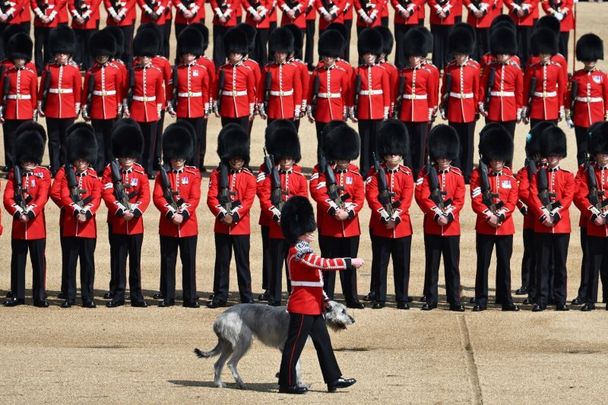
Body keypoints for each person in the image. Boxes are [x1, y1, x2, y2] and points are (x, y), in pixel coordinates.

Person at [277, 195, 360, 395]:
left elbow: (315, 280)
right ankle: (286, 383)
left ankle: (333, 379)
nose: (312, 232)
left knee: (323, 343)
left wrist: (325, 299)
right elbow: (321, 264)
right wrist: (348, 262)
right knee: (294, 346)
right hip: (302, 305)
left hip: (313, 304)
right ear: (299, 230)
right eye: (308, 229)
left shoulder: (304, 248)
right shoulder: (298, 250)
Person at [310, 123, 365, 309]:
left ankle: (351, 297)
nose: (345, 161)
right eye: (342, 158)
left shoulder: (354, 172)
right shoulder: (322, 171)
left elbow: (359, 197)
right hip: (329, 225)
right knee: (328, 264)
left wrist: (348, 211)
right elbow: (318, 192)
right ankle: (328, 297)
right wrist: (334, 210)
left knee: (349, 264)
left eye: (347, 158)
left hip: (350, 227)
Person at [415, 124, 465, 311]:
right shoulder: (427, 173)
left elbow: (459, 199)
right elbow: (422, 196)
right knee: (432, 265)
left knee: (452, 266)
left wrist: (448, 215)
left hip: (451, 227)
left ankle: (455, 299)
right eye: (440, 156)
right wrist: (437, 214)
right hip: (433, 226)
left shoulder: (457, 175)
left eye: (446, 156)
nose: (443, 160)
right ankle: (431, 298)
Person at [470, 124, 520, 312]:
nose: (497, 161)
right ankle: (481, 299)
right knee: (483, 264)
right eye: (494, 158)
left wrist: (500, 215)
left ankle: (505, 298)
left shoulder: (509, 176)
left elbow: (512, 200)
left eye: (500, 158)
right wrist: (488, 215)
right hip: (485, 225)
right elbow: (476, 199)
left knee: (504, 265)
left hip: (505, 226)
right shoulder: (478, 175)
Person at [101, 119, 150, 308]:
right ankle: (118, 293)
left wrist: (135, 211)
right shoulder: (110, 171)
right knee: (118, 260)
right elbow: (107, 193)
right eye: (124, 155)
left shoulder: (140, 172)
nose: (127, 158)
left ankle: (137, 295)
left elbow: (145, 196)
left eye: (130, 155)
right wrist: (121, 210)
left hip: (136, 224)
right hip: (118, 222)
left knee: (135, 262)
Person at [365, 120, 414, 309]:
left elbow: (407, 197)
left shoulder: (406, 173)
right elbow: (371, 195)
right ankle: (380, 297)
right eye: (390, 153)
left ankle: (402, 298)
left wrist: (395, 216)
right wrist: (384, 216)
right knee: (380, 264)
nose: (393, 157)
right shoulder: (376, 172)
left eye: (396, 154)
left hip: (401, 227)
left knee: (402, 266)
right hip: (380, 225)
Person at [207, 123, 256, 307]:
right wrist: (222, 215)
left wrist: (233, 216)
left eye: (240, 159)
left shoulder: (249, 177)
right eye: (233, 158)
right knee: (221, 263)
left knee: (243, 264)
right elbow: (211, 198)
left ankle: (246, 295)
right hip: (222, 226)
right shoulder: (217, 174)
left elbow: (248, 201)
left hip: (241, 227)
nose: (236, 161)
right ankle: (220, 295)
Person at [153, 122, 201, 308]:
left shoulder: (193, 174)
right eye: (175, 156)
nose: (178, 159)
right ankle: (168, 296)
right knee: (168, 262)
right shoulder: (162, 175)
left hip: (188, 226)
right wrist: (172, 213)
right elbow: (157, 197)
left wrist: (184, 213)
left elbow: (195, 197)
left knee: (189, 264)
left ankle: (190, 297)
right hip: (168, 225)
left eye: (181, 156)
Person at [3, 123, 51, 307]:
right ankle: (17, 294)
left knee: (38, 262)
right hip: (18, 226)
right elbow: (7, 198)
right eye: (26, 161)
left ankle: (40, 295)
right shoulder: (15, 175)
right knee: (18, 261)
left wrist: (29, 213)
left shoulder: (43, 174)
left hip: (36, 225)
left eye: (31, 161)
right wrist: (17, 211)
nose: (28, 164)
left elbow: (42, 197)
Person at [54, 123, 102, 308]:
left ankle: (88, 297)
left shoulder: (93, 177)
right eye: (78, 159)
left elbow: (96, 198)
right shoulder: (68, 175)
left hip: (88, 227)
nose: (80, 162)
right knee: (70, 263)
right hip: (70, 224)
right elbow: (64, 195)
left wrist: (86, 212)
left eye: (84, 159)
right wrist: (75, 210)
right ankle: (70, 296)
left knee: (87, 264)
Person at [260, 125, 308, 306]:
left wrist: (292, 217)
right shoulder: (271, 176)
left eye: (289, 158)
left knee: (293, 262)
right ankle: (274, 295)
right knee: (275, 263)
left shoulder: (300, 177)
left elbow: (303, 199)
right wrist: (275, 213)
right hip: (276, 226)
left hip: (293, 228)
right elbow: (265, 196)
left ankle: (293, 292)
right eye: (284, 158)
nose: (286, 161)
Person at [528, 125, 574, 312]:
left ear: (561, 156)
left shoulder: (567, 176)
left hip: (561, 226)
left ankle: (560, 298)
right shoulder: (539, 175)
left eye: (556, 155)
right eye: (551, 154)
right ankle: (542, 298)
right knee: (543, 265)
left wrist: (554, 214)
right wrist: (543, 213)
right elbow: (533, 195)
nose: (553, 158)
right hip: (543, 225)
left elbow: (568, 197)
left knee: (560, 265)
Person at [38, 25, 82, 177]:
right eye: (59, 53)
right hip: (52, 108)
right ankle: (54, 166)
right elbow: (43, 88)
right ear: (55, 54)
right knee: (53, 141)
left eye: (64, 53)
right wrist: (40, 104)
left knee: (66, 141)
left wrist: (77, 107)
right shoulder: (49, 68)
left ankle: (65, 166)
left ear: (69, 54)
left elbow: (77, 90)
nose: (62, 56)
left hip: (68, 109)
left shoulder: (74, 70)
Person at [574, 122, 608, 311]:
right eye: (601, 153)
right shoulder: (587, 169)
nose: (603, 156)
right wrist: (594, 213)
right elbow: (580, 194)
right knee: (590, 260)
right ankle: (587, 296)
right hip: (590, 221)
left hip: (606, 221)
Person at [397, 26, 438, 177]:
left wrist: (430, 111)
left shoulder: (428, 72)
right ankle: (408, 171)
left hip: (421, 111)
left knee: (421, 145)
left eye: (415, 56)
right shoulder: (404, 72)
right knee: (408, 144)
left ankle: (420, 172)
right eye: (411, 56)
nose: (413, 59)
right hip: (407, 111)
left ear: (421, 56)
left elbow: (431, 94)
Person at [168, 27, 211, 171]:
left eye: (191, 53)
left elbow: (205, 90)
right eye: (185, 53)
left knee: (197, 138)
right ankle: (184, 163)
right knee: (183, 138)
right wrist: (171, 105)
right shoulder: (178, 70)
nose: (187, 56)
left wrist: (206, 107)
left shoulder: (202, 70)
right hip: (183, 108)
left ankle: (195, 165)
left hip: (198, 108)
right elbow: (173, 90)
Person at [441, 23, 480, 184]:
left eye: (461, 54)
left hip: (469, 108)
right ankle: (456, 171)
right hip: (454, 108)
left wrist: (477, 108)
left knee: (468, 143)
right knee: (455, 141)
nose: (458, 57)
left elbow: (477, 91)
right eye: (456, 54)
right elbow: (445, 90)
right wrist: (443, 106)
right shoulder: (450, 68)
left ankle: (468, 172)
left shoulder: (475, 67)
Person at [124, 28, 165, 177]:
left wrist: (159, 109)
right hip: (137, 109)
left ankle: (148, 169)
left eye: (148, 56)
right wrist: (126, 107)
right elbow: (127, 91)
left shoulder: (157, 72)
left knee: (151, 143)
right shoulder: (133, 71)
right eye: (143, 56)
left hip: (151, 109)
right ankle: (138, 168)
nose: (145, 59)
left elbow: (160, 92)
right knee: (139, 142)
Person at [82, 29, 123, 175]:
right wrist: (84, 107)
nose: (101, 57)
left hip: (111, 108)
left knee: (110, 139)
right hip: (97, 108)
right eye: (99, 55)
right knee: (98, 139)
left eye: (104, 55)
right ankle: (99, 166)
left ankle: (111, 165)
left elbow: (119, 89)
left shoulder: (115, 70)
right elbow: (86, 91)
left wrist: (119, 106)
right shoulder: (91, 72)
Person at [307, 30, 352, 162]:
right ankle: (322, 166)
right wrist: (309, 107)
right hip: (321, 111)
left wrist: (346, 110)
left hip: (337, 110)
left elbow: (346, 93)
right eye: (325, 56)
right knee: (321, 141)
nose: (327, 59)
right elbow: (311, 91)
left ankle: (335, 164)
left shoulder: (341, 72)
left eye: (330, 56)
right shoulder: (317, 72)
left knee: (336, 141)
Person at [352, 28, 390, 175]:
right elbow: (353, 91)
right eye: (367, 54)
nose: (369, 57)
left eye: (372, 54)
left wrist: (386, 109)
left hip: (378, 109)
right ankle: (365, 169)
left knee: (376, 141)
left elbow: (386, 92)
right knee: (365, 142)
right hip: (363, 110)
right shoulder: (358, 71)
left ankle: (377, 168)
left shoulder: (381, 71)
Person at [566, 33, 608, 166]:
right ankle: (581, 177)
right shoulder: (576, 77)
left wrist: (607, 111)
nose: (590, 61)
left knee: (597, 150)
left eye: (592, 58)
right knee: (582, 150)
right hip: (580, 118)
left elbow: (606, 97)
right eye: (587, 58)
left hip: (597, 118)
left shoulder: (602, 77)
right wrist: (568, 112)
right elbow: (569, 96)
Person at [478, 26, 523, 139]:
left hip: (510, 109)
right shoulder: (490, 68)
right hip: (493, 107)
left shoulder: (516, 69)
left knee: (508, 139)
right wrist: (481, 103)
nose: (502, 55)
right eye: (500, 53)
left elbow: (519, 91)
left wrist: (518, 109)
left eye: (505, 53)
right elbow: (483, 86)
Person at [0, 32, 37, 170]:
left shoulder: (31, 74)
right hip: (10, 109)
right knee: (9, 139)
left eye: (22, 58)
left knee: (25, 139)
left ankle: (24, 163)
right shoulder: (7, 74)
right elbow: (1, 93)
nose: (19, 60)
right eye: (17, 58)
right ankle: (11, 165)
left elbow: (33, 93)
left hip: (25, 110)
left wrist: (34, 110)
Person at [522, 27, 567, 129]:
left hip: (552, 107)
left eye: (547, 53)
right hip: (536, 107)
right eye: (542, 53)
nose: (544, 55)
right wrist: (525, 106)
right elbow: (526, 89)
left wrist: (561, 106)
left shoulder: (557, 68)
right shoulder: (532, 69)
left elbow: (561, 89)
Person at [215, 27, 256, 130]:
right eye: (232, 53)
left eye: (237, 53)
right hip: (227, 108)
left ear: (242, 54)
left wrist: (251, 108)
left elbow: (250, 91)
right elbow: (217, 88)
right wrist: (216, 104)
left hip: (242, 108)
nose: (235, 56)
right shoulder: (222, 70)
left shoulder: (247, 70)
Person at [260, 27, 303, 125]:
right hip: (273, 109)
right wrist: (261, 104)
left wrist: (297, 107)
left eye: (282, 53)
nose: (280, 55)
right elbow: (261, 88)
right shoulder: (267, 68)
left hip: (288, 108)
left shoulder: (293, 68)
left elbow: (298, 90)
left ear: (287, 53)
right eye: (278, 52)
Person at [504, 0, 539, 67]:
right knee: (515, 43)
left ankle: (527, 66)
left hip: (529, 16)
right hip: (514, 16)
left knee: (527, 44)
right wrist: (515, 8)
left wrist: (526, 10)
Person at [69, 0, 102, 71]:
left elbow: (95, 4)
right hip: (77, 21)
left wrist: (85, 17)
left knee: (91, 45)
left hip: (91, 19)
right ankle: (77, 65)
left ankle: (90, 66)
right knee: (77, 46)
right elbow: (70, 3)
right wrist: (76, 16)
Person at [31, 0, 63, 75]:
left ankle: (48, 67)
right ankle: (39, 68)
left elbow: (58, 4)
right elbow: (33, 2)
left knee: (49, 47)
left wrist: (50, 17)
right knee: (38, 47)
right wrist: (41, 15)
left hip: (51, 22)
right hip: (39, 22)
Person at [391, 0, 423, 69]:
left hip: (413, 18)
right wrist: (401, 10)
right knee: (400, 44)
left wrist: (410, 9)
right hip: (400, 18)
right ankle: (400, 67)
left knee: (413, 44)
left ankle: (411, 66)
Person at [103, 0, 136, 64]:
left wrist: (121, 13)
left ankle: (128, 65)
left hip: (126, 19)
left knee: (127, 46)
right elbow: (107, 1)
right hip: (112, 20)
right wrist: (113, 14)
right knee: (113, 44)